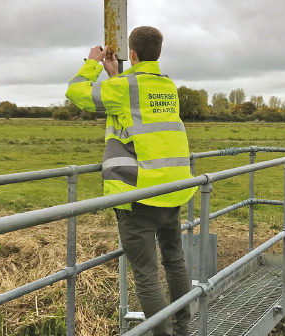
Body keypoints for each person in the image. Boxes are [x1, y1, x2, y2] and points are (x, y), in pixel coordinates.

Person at [65, 26, 195, 336]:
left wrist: (92, 62)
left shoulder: (124, 87)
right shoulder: (168, 86)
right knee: (175, 261)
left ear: (132, 55)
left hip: (138, 193)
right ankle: (183, 330)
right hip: (172, 189)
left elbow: (76, 93)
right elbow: (135, 110)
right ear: (156, 53)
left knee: (147, 274)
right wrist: (114, 75)